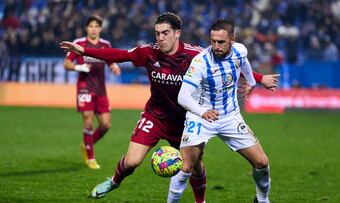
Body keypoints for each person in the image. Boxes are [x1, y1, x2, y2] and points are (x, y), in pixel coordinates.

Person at [60, 13, 277, 202]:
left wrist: (258, 78)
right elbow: (120, 55)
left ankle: (200, 201)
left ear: (177, 33)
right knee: (132, 161)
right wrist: (83, 50)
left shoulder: (195, 55)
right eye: (157, 33)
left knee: (195, 167)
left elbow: (226, 64)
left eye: (165, 33)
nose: (160, 38)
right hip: (155, 115)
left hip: (184, 120)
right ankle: (114, 181)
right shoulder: (148, 52)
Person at [167, 19, 271, 203]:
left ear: (232, 39)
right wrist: (202, 112)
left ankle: (262, 200)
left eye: (221, 42)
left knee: (262, 163)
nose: (216, 46)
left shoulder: (240, 50)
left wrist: (251, 83)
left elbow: (244, 64)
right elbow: (183, 96)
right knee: (186, 166)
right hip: (201, 118)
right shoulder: (200, 62)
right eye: (213, 41)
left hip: (230, 117)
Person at [64, 15, 120, 169]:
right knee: (88, 120)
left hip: (101, 89)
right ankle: (91, 158)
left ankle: (86, 144)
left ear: (100, 28)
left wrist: (113, 66)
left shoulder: (105, 44)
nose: (93, 29)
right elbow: (67, 63)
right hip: (84, 87)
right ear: (86, 28)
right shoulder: (79, 43)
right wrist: (78, 67)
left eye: (96, 26)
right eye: (91, 26)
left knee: (106, 125)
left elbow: (110, 59)